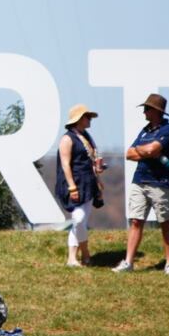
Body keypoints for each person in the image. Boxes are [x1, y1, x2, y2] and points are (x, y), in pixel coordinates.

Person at [115, 93, 169, 275]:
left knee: (164, 222)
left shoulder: (168, 130)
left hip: (160, 182)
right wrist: (148, 151)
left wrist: (144, 151)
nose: (144, 111)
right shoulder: (145, 131)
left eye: (147, 108)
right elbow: (129, 154)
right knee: (136, 220)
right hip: (139, 180)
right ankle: (128, 262)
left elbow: (151, 150)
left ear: (156, 111)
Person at [55, 104, 106, 267]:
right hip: (74, 183)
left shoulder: (87, 137)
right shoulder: (67, 139)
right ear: (78, 119)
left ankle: (72, 258)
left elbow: (90, 162)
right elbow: (65, 165)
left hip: (89, 184)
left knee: (80, 222)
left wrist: (98, 173)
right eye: (87, 116)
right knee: (78, 219)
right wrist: (71, 186)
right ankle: (85, 253)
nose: (90, 119)